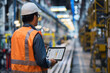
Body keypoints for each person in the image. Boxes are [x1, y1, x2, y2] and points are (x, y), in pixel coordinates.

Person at [11, 2, 57, 73]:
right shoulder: (35, 35)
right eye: (38, 16)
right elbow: (41, 61)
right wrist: (50, 63)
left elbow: (22, 52)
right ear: (35, 17)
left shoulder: (15, 34)